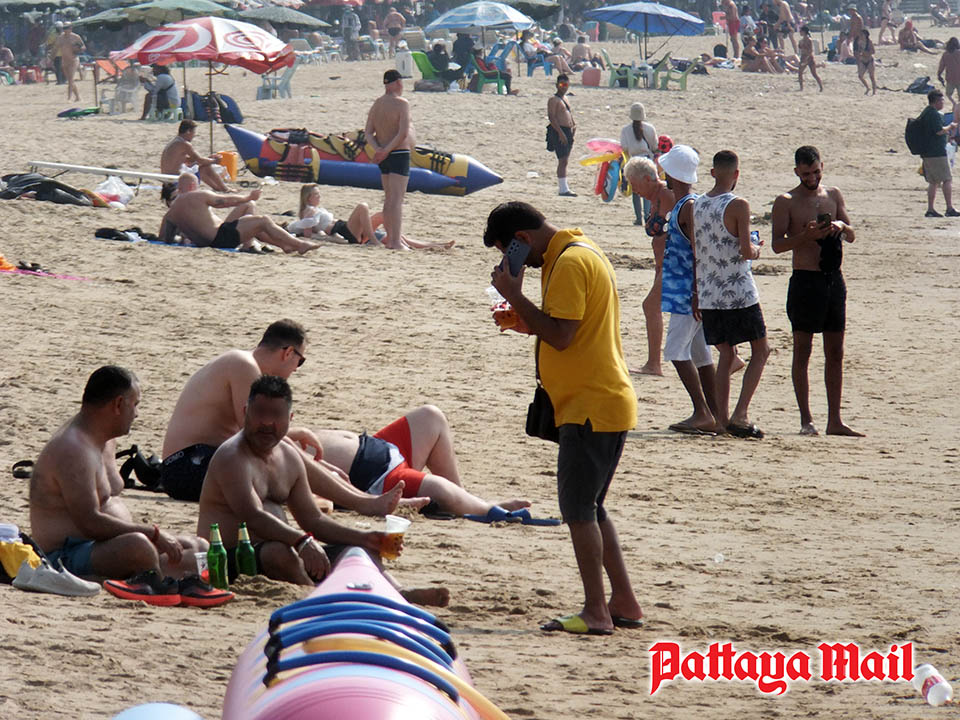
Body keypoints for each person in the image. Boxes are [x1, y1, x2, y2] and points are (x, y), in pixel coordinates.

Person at [484, 201, 642, 636]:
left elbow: (562, 335)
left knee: (577, 511)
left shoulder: (569, 262)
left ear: (522, 239)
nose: (514, 261)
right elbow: (564, 326)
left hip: (591, 406)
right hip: (600, 402)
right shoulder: (578, 249)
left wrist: (514, 294)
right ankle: (624, 602)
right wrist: (524, 318)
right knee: (591, 506)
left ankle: (596, 612)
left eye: (509, 251)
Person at [197, 376, 448, 607]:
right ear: (245, 412)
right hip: (228, 559)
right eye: (259, 413)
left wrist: (364, 538)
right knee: (279, 553)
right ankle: (318, 598)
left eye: (275, 415)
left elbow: (313, 519)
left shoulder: (288, 455)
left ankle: (398, 592)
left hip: (288, 549)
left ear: (290, 418)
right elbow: (252, 516)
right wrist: (302, 541)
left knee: (360, 550)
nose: (266, 422)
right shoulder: (232, 457)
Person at [160, 320, 414, 518]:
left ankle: (365, 499)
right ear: (288, 352)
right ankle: (362, 501)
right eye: (299, 362)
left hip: (195, 462)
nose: (295, 369)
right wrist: (306, 446)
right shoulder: (243, 364)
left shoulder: (243, 364)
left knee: (282, 452)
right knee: (281, 451)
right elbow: (251, 433)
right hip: (185, 467)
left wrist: (319, 465)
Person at [29, 366, 210, 600]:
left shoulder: (105, 439)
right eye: (135, 405)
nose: (137, 414)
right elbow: (90, 522)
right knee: (139, 547)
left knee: (200, 548)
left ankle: (170, 579)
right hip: (66, 555)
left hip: (106, 545)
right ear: (118, 404)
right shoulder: (72, 450)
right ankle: (159, 579)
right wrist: (153, 534)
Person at [771, 146, 864, 437]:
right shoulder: (786, 201)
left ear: (822, 166)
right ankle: (806, 420)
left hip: (833, 279)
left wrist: (840, 226)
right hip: (805, 281)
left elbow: (852, 234)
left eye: (815, 172)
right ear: (796, 171)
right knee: (803, 350)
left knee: (835, 351)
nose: (811, 178)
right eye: (805, 173)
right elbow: (777, 245)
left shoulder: (833, 195)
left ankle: (835, 420)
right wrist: (806, 236)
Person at [293, 405, 532, 518]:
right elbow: (317, 496)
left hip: (377, 446)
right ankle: (488, 511)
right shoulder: (276, 462)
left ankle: (466, 499)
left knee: (432, 416)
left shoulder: (274, 439)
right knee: (439, 488)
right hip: (377, 478)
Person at [633, 148, 724, 435]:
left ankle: (702, 412)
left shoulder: (687, 205)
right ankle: (716, 415)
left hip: (687, 289)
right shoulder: (687, 203)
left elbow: (698, 250)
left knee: (675, 350)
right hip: (686, 287)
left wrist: (697, 291)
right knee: (700, 353)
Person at [693, 151, 770, 439]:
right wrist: (757, 249)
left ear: (713, 172)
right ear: (736, 174)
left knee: (726, 354)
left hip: (709, 290)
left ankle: (722, 421)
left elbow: (697, 249)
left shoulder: (698, 204)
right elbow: (746, 251)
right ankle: (741, 413)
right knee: (761, 349)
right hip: (737, 290)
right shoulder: (738, 204)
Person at [159, 173, 321, 253]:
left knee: (252, 220)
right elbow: (225, 201)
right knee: (263, 220)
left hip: (207, 242)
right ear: (192, 186)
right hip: (221, 237)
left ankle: (284, 245)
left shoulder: (171, 213)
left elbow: (165, 238)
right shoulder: (197, 196)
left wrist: (185, 239)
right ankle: (300, 245)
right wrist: (248, 196)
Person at [624, 143, 674, 378]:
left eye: (634, 184)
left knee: (650, 306)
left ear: (647, 179)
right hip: (662, 265)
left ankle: (654, 364)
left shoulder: (668, 196)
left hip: (675, 263)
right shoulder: (655, 199)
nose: (634, 190)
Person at [364, 70, 414, 250]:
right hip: (398, 153)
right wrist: (386, 150)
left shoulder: (377, 103)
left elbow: (368, 132)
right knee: (397, 199)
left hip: (383, 154)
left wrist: (379, 149)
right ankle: (395, 241)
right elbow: (403, 133)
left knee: (388, 198)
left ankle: (391, 239)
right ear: (398, 82)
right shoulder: (402, 103)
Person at [288, 183, 379, 244]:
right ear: (308, 198)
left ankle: (380, 239)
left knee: (380, 216)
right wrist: (331, 239)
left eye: (319, 193)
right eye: (316, 194)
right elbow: (307, 233)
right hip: (343, 231)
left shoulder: (315, 209)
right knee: (362, 206)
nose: (319, 196)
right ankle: (374, 240)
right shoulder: (310, 210)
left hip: (346, 229)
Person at [917, 89, 959, 217]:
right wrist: (950, 127)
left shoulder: (927, 112)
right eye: (942, 100)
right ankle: (949, 208)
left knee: (934, 182)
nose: (943, 103)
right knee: (947, 179)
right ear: (936, 101)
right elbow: (939, 131)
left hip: (929, 152)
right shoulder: (933, 114)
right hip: (936, 153)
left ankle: (931, 209)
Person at [160, 119, 230, 192]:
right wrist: (215, 161)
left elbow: (188, 160)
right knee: (205, 167)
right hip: (175, 179)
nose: (194, 135)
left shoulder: (175, 142)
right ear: (188, 131)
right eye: (193, 133)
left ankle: (218, 188)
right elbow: (199, 160)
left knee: (201, 166)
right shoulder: (184, 144)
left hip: (167, 178)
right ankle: (224, 189)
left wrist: (208, 159)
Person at [620, 102, 658, 226]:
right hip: (647, 160)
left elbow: (624, 148)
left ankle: (638, 218)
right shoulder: (650, 128)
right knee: (647, 189)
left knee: (635, 191)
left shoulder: (625, 130)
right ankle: (647, 215)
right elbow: (654, 146)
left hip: (633, 162)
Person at [547, 74, 577, 197]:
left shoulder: (565, 98)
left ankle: (564, 187)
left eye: (566, 84)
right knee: (562, 160)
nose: (564, 87)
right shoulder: (553, 100)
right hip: (559, 130)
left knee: (566, 160)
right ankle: (563, 189)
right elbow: (552, 117)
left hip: (568, 131)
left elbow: (568, 113)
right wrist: (560, 133)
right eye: (561, 84)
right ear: (557, 85)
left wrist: (574, 126)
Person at [54, 22, 84, 102]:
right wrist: (50, 58)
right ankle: (78, 97)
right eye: (64, 28)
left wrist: (78, 49)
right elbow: (56, 48)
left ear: (71, 28)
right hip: (64, 60)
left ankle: (69, 98)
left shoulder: (76, 37)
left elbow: (83, 47)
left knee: (70, 79)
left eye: (67, 28)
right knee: (70, 80)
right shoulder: (60, 38)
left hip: (73, 60)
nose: (65, 30)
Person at [797, 25, 823, 90]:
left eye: (801, 31)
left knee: (814, 73)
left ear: (804, 32)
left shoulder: (809, 40)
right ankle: (801, 88)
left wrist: (806, 59)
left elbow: (810, 50)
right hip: (803, 57)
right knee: (800, 72)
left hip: (809, 58)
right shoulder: (801, 41)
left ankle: (821, 87)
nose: (800, 32)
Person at [854, 28, 878, 94]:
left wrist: (865, 52)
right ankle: (867, 87)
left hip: (869, 60)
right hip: (862, 60)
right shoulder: (857, 42)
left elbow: (873, 51)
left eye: (862, 34)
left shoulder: (869, 42)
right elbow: (856, 52)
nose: (861, 36)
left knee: (872, 76)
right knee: (860, 76)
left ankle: (874, 90)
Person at [938, 37, 960, 104]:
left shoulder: (945, 54)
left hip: (950, 78)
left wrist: (939, 74)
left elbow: (941, 66)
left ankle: (954, 103)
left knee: (948, 94)